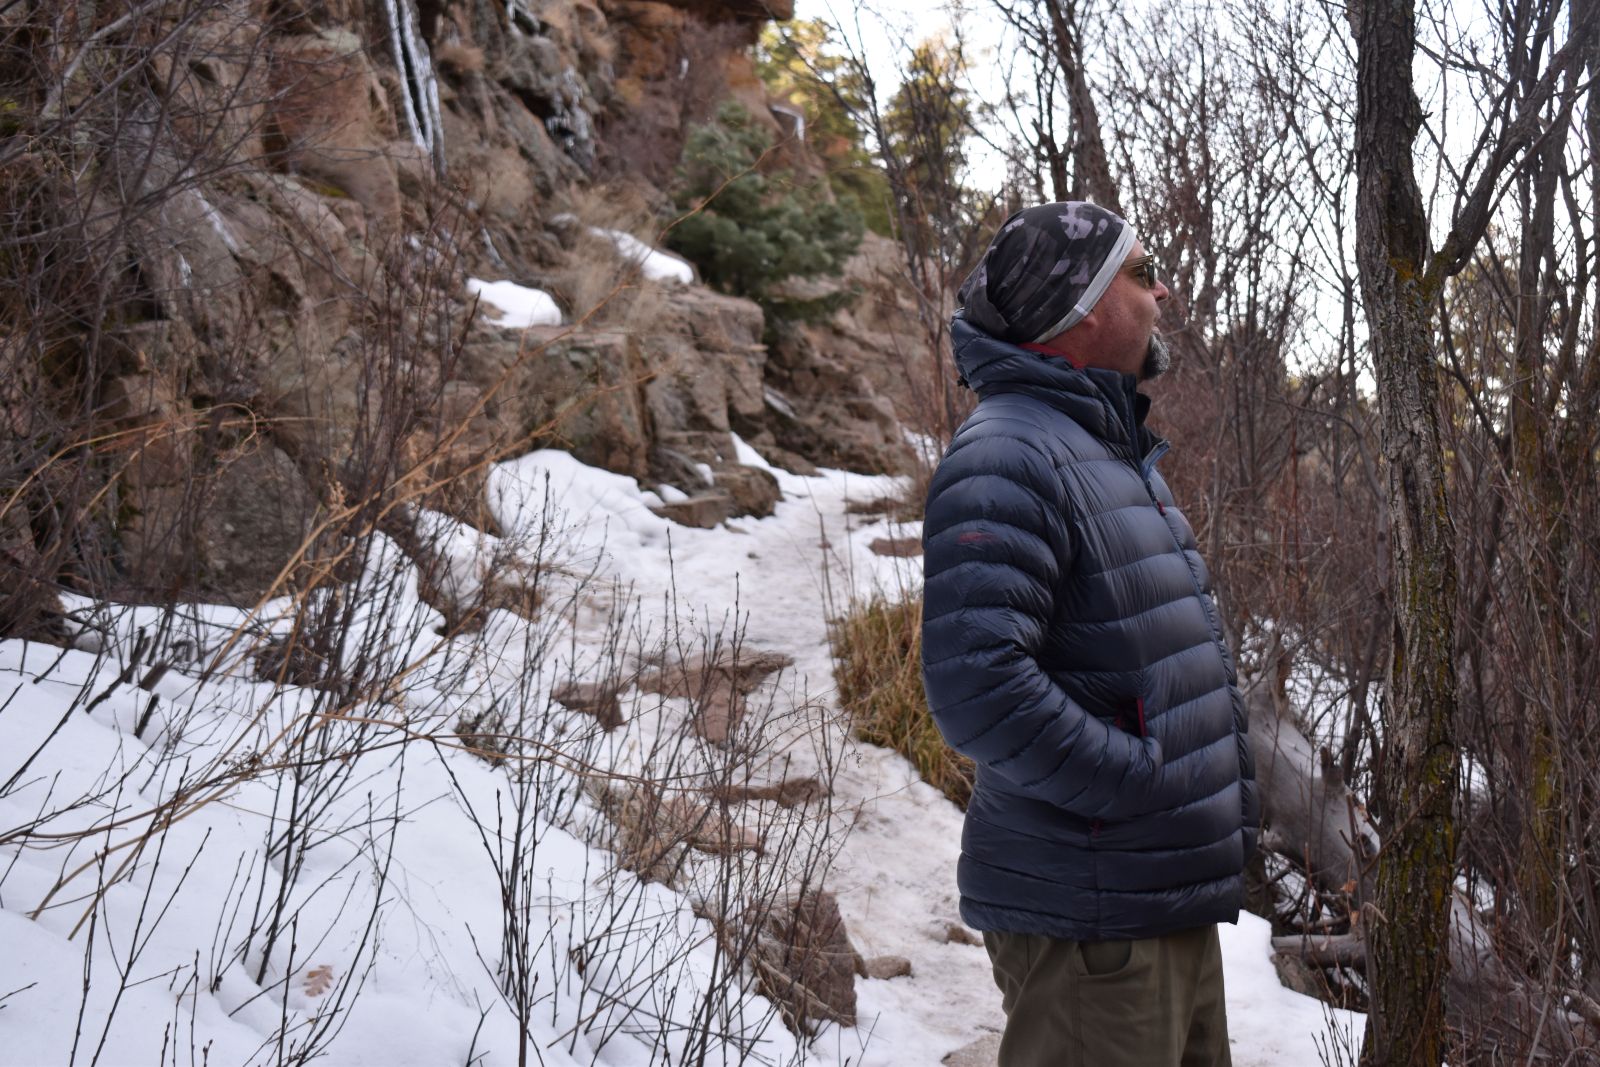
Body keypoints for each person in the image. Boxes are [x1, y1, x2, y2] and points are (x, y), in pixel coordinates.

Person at [920, 201, 1259, 1066]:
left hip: (1155, 905)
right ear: (1084, 309)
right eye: (1141, 273)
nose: (1163, 291)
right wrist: (1137, 780)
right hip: (1096, 925)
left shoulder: (1102, 450)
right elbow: (978, 689)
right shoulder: (1009, 454)